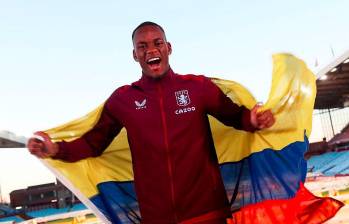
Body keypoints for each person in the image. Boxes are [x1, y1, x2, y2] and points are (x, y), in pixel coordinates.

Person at [28, 21, 275, 224]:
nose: (151, 50)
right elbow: (93, 144)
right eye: (142, 46)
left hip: (207, 213)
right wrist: (56, 149)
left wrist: (251, 119)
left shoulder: (197, 87)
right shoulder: (122, 99)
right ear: (135, 55)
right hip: (157, 218)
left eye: (157, 43)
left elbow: (234, 116)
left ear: (168, 47)